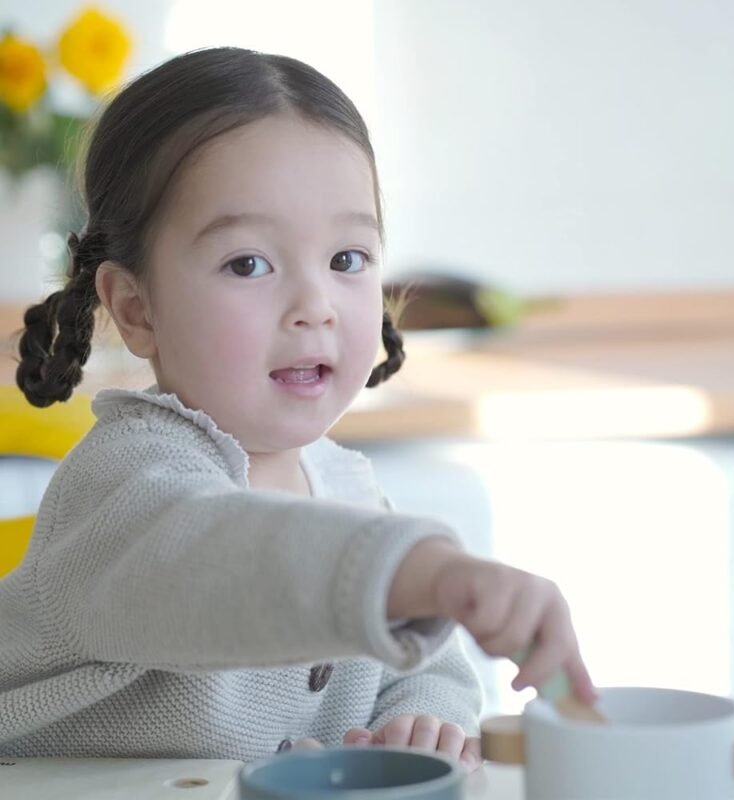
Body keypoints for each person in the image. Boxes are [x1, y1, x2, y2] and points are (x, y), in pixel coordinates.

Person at [2, 47, 595, 767]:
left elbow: (425, 666)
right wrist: (429, 571)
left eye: (347, 259)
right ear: (137, 308)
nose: (314, 306)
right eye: (248, 263)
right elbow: (224, 559)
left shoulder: (347, 485)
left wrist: (419, 717)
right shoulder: (122, 486)